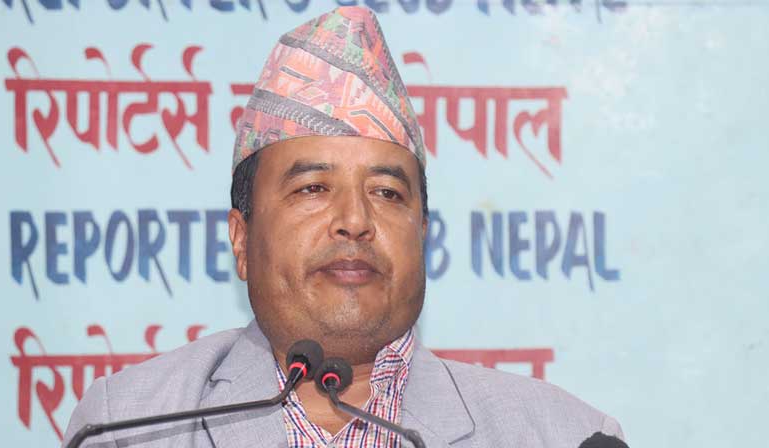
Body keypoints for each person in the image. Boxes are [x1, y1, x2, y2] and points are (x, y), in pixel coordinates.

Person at [63, 6, 624, 447]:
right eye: (312, 188)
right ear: (242, 239)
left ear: (423, 234)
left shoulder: (563, 435)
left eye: (386, 193)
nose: (355, 221)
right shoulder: (129, 425)